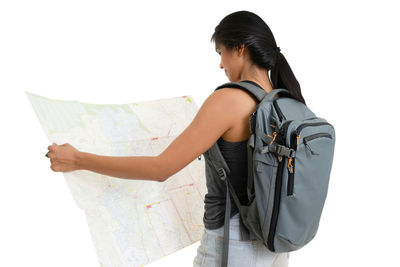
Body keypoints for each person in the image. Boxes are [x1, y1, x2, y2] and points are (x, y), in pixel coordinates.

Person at [46, 10, 306, 267]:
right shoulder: (286, 101)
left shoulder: (229, 99)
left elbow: (161, 169)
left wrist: (78, 159)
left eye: (221, 53)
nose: (220, 64)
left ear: (239, 49)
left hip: (234, 243)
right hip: (275, 243)